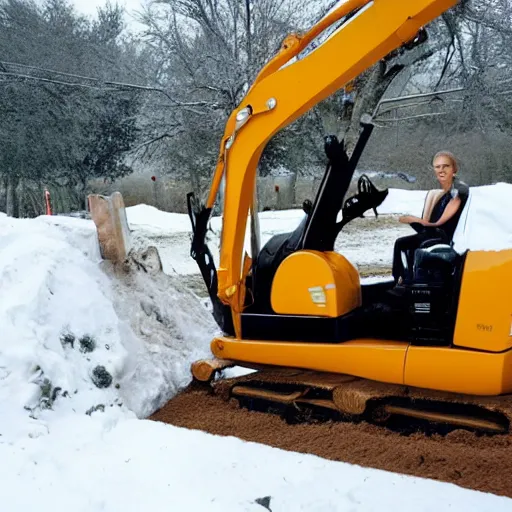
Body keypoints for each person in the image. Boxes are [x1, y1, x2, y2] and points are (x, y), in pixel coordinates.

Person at [392, 151, 469, 284]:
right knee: (405, 243)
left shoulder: (459, 190)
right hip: (437, 232)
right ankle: (406, 278)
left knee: (402, 243)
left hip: (444, 235)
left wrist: (415, 220)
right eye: (438, 167)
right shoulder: (446, 192)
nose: (441, 170)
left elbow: (440, 222)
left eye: (446, 166)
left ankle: (405, 279)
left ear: (454, 169)